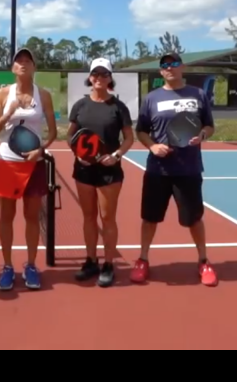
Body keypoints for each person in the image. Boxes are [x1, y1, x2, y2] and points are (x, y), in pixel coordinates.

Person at [132, 52, 218, 287]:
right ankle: (142, 260)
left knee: (194, 220)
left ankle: (203, 261)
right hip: (158, 169)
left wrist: (202, 135)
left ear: (183, 67)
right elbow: (141, 131)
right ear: (161, 72)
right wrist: (152, 146)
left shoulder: (198, 95)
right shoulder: (151, 98)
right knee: (149, 219)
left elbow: (209, 126)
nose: (170, 67)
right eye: (165, 65)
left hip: (188, 169)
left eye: (174, 64)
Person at [0, 47, 58, 291]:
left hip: (34, 164)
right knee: (6, 217)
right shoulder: (3, 93)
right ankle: (7, 266)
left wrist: (41, 150)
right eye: (19, 61)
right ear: (13, 68)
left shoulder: (44, 95)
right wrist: (9, 111)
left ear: (34, 67)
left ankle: (30, 265)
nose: (23, 64)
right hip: (7, 162)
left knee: (31, 217)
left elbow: (53, 133)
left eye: (28, 60)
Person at [67, 58, 134, 287]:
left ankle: (107, 264)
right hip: (83, 170)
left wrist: (115, 156)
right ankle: (91, 261)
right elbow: (70, 136)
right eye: (95, 74)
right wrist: (77, 154)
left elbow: (129, 138)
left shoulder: (118, 107)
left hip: (109, 172)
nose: (99, 78)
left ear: (110, 79)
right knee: (88, 217)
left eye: (104, 74)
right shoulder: (80, 106)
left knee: (107, 218)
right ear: (90, 77)